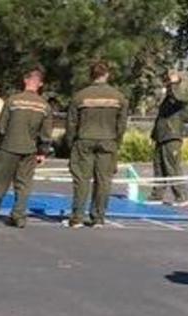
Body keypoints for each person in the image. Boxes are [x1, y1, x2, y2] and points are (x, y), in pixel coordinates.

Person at [0, 68, 55, 228]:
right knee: (23, 185)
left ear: (25, 80)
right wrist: (42, 151)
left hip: (8, 147)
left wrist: (3, 142)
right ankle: (19, 216)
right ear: (40, 84)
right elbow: (46, 133)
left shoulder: (12, 101)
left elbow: (2, 126)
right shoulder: (44, 106)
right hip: (29, 150)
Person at [67, 61, 129, 229]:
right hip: (108, 141)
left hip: (84, 139)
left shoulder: (80, 96)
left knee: (81, 179)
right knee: (104, 181)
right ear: (107, 75)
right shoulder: (119, 97)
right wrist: (117, 142)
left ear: (91, 75)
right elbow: (121, 125)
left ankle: (77, 217)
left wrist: (71, 142)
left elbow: (72, 123)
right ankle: (98, 218)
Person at [150, 71, 188, 207]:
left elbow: (179, 98)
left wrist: (174, 83)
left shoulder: (178, 96)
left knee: (172, 167)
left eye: (168, 80)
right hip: (162, 137)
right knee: (159, 167)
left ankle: (181, 196)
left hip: (172, 136)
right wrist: (154, 135)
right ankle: (156, 195)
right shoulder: (167, 99)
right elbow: (160, 119)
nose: (165, 82)